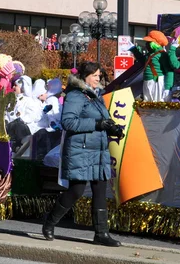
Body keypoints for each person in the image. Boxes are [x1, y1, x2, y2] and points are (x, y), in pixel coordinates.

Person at [42, 62, 124, 247]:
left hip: (99, 149)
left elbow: (102, 118)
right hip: (81, 149)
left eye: (99, 76)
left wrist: (113, 128)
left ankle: (101, 233)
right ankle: (50, 221)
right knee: (76, 190)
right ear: (85, 76)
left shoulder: (96, 96)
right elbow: (68, 122)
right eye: (95, 75)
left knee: (100, 190)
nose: (98, 79)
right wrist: (97, 125)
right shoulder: (75, 95)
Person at [129, 31, 174, 102]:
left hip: (157, 82)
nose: (146, 44)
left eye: (148, 42)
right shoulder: (149, 54)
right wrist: (134, 49)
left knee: (157, 103)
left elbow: (169, 71)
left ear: (154, 44)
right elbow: (143, 61)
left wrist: (168, 87)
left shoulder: (163, 55)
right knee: (147, 103)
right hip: (147, 81)